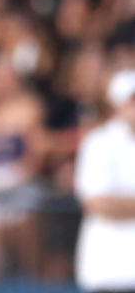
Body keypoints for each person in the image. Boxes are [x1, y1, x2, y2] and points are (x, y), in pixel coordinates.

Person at [75, 69, 135, 293]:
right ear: (116, 104)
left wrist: (122, 204)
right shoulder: (98, 143)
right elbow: (96, 202)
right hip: (110, 271)